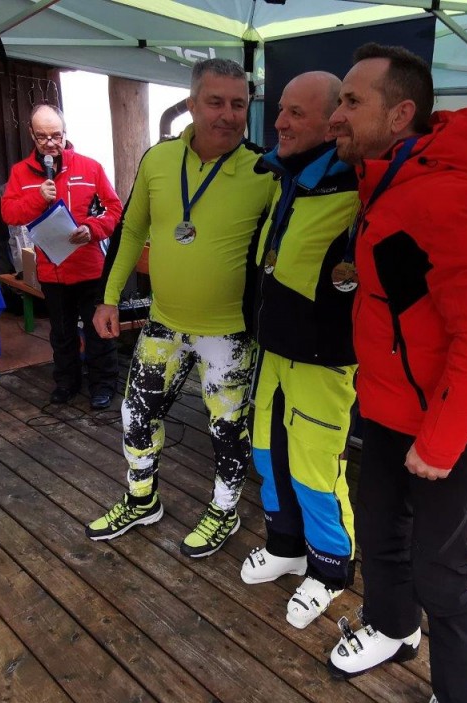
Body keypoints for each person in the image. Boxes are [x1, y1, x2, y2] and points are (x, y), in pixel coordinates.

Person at [323, 44, 467, 703]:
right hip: (389, 411)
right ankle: (392, 627)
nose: (337, 116)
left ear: (401, 113)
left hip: (452, 427)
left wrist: (438, 441)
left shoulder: (446, 195)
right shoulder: (390, 181)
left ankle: (461, 698)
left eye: (352, 102)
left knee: (442, 565)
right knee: (379, 532)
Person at [85, 58, 274, 558]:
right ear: (191, 104)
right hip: (163, 324)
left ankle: (225, 511)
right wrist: (109, 296)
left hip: (230, 333)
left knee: (227, 429)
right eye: (216, 102)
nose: (228, 114)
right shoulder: (159, 159)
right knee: (135, 413)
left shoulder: (266, 170)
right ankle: (142, 500)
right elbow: (131, 229)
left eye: (239, 104)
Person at [239, 72, 361, 630]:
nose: (279, 123)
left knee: (316, 471)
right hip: (275, 351)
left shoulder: (358, 182)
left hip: (323, 359)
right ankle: (285, 545)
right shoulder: (288, 176)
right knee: (268, 455)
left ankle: (330, 569)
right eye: (281, 109)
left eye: (296, 113)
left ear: (332, 122)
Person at [1, 104, 122, 409]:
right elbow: (10, 214)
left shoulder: (90, 167)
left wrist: (92, 229)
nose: (50, 143)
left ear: (65, 132)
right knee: (62, 332)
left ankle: (103, 384)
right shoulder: (20, 173)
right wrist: (37, 197)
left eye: (56, 135)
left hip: (90, 266)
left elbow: (114, 209)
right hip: (51, 268)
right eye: (42, 137)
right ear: (31, 135)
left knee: (98, 329)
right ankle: (66, 382)